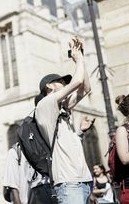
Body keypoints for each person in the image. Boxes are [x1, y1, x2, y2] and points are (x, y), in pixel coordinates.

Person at [35, 37, 95, 204]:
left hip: (83, 180)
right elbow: (77, 82)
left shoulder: (64, 108)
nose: (64, 84)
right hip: (68, 183)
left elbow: (86, 88)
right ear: (49, 86)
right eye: (61, 82)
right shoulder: (45, 105)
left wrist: (81, 57)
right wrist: (79, 60)